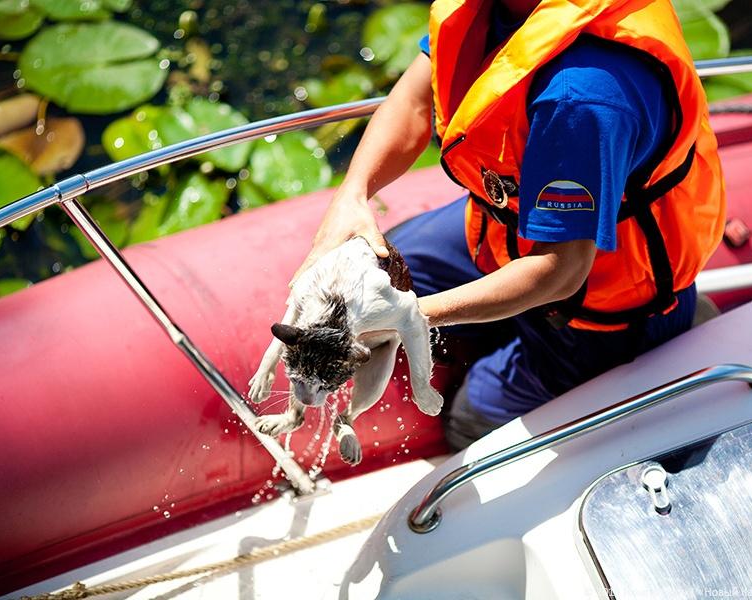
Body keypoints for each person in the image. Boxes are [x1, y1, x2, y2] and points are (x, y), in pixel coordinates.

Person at [291, 0, 725, 450]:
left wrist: (410, 318)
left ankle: (667, 340)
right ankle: (495, 319)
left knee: (468, 420)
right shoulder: (492, 10)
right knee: (390, 261)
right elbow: (416, 101)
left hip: (598, 302)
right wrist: (353, 194)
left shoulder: (578, 95)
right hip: (505, 229)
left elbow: (560, 270)